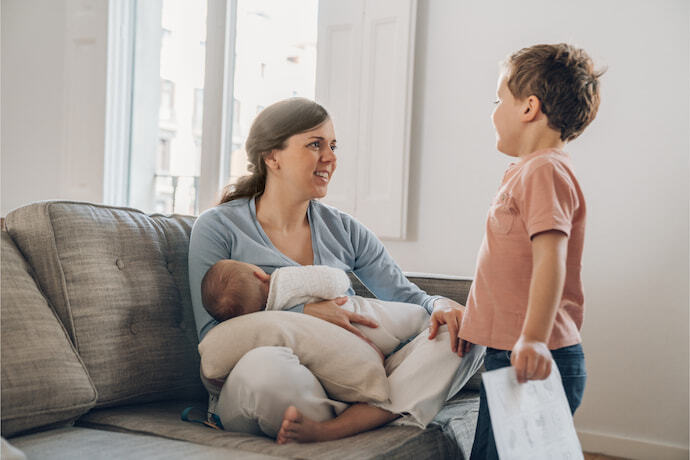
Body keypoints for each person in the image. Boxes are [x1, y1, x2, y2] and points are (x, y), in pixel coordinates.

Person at [188, 97, 484, 444]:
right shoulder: (218, 227)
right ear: (272, 157)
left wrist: (440, 306)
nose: (330, 157)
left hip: (354, 374)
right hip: (279, 379)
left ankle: (346, 422)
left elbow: (406, 296)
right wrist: (304, 313)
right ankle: (384, 408)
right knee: (266, 372)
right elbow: (213, 338)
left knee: (467, 332)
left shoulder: (345, 230)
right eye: (315, 144)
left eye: (333, 145)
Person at [456, 43, 604, 459]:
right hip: (511, 352)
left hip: (538, 357)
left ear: (528, 108)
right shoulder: (529, 170)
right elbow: (508, 269)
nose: (493, 111)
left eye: (498, 99)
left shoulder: (544, 170)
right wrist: (476, 323)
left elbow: (550, 259)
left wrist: (535, 339)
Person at [200, 260, 430, 358]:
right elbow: (337, 281)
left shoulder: (262, 323)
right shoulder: (284, 279)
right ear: (258, 273)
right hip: (361, 316)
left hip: (348, 346)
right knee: (419, 317)